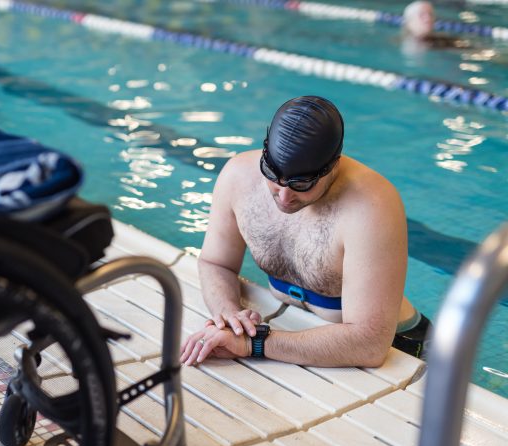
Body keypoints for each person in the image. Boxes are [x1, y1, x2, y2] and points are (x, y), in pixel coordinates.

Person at [180, 96, 430, 368]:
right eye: (272, 174)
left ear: (333, 165)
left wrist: (254, 343)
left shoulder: (371, 206)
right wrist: (229, 316)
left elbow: (370, 344)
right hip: (293, 324)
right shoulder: (238, 176)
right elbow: (215, 262)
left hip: (398, 345)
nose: (284, 197)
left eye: (302, 184)